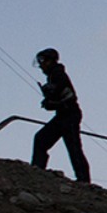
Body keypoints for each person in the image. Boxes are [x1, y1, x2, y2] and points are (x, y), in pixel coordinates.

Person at [31, 47, 90, 184]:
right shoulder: (54, 75)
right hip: (63, 115)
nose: (40, 65)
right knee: (41, 139)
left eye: (42, 61)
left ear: (51, 61)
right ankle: (36, 170)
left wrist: (51, 101)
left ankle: (84, 180)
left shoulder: (58, 75)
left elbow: (66, 97)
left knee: (74, 148)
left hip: (69, 115)